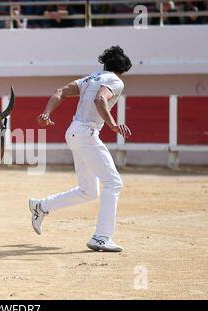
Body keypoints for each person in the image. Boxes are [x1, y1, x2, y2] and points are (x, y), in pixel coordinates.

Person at [29, 46, 133, 252]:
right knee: (113, 182)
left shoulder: (89, 79)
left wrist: (46, 113)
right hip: (86, 133)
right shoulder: (115, 81)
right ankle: (101, 238)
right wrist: (112, 124)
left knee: (88, 191)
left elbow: (60, 92)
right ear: (121, 70)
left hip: (74, 132)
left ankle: (41, 206)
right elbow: (100, 99)